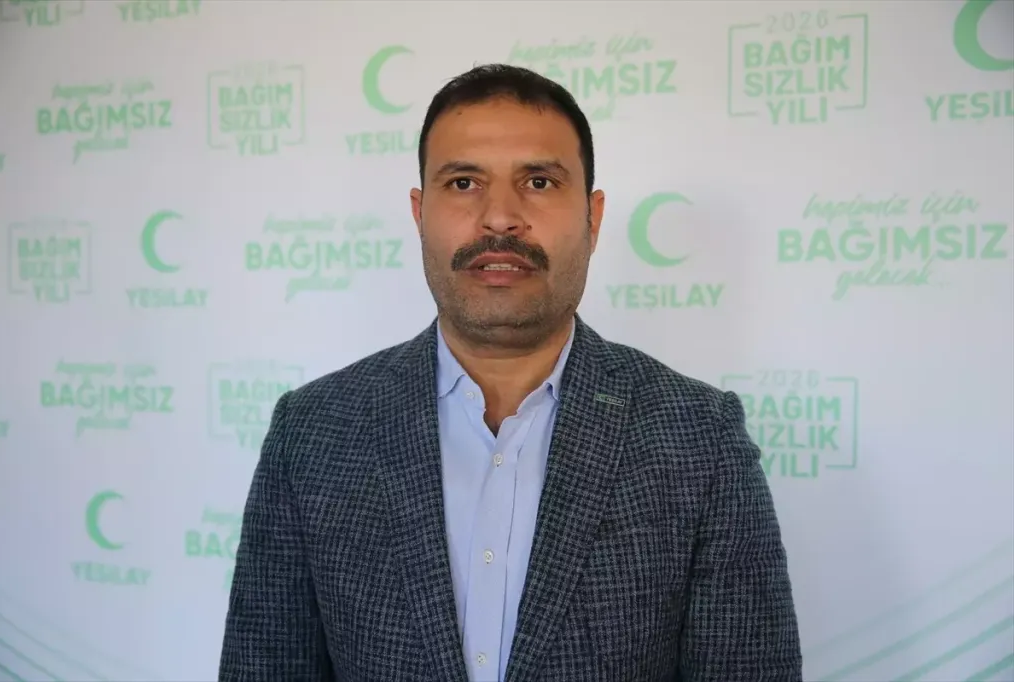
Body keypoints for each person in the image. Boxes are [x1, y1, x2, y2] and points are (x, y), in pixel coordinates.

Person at [218, 63, 803, 682]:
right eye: (464, 182)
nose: (500, 217)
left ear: (593, 218)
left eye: (540, 182)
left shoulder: (699, 438)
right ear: (419, 213)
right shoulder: (313, 432)